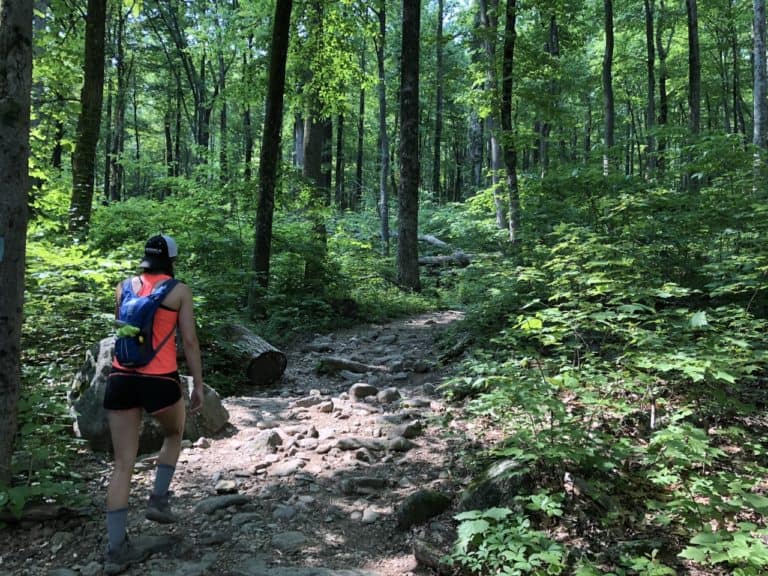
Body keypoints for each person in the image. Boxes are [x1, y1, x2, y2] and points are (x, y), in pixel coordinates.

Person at [103, 234, 204, 568]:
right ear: (171, 260)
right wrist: (198, 385)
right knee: (175, 434)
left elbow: (123, 332)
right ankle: (158, 500)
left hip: (120, 379)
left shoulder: (122, 287)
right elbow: (188, 342)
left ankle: (116, 549)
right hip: (159, 381)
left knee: (122, 464)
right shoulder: (179, 291)